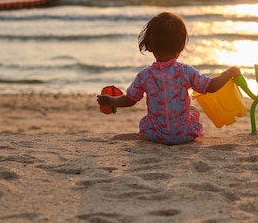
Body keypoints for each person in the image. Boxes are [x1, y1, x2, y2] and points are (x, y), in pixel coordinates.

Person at [97, 12, 241, 144]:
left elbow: (129, 100)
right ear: (181, 46)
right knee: (193, 110)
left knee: (149, 120)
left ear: (150, 46)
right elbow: (210, 86)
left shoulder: (144, 75)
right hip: (184, 135)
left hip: (155, 135)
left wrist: (110, 101)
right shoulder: (185, 71)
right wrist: (228, 73)